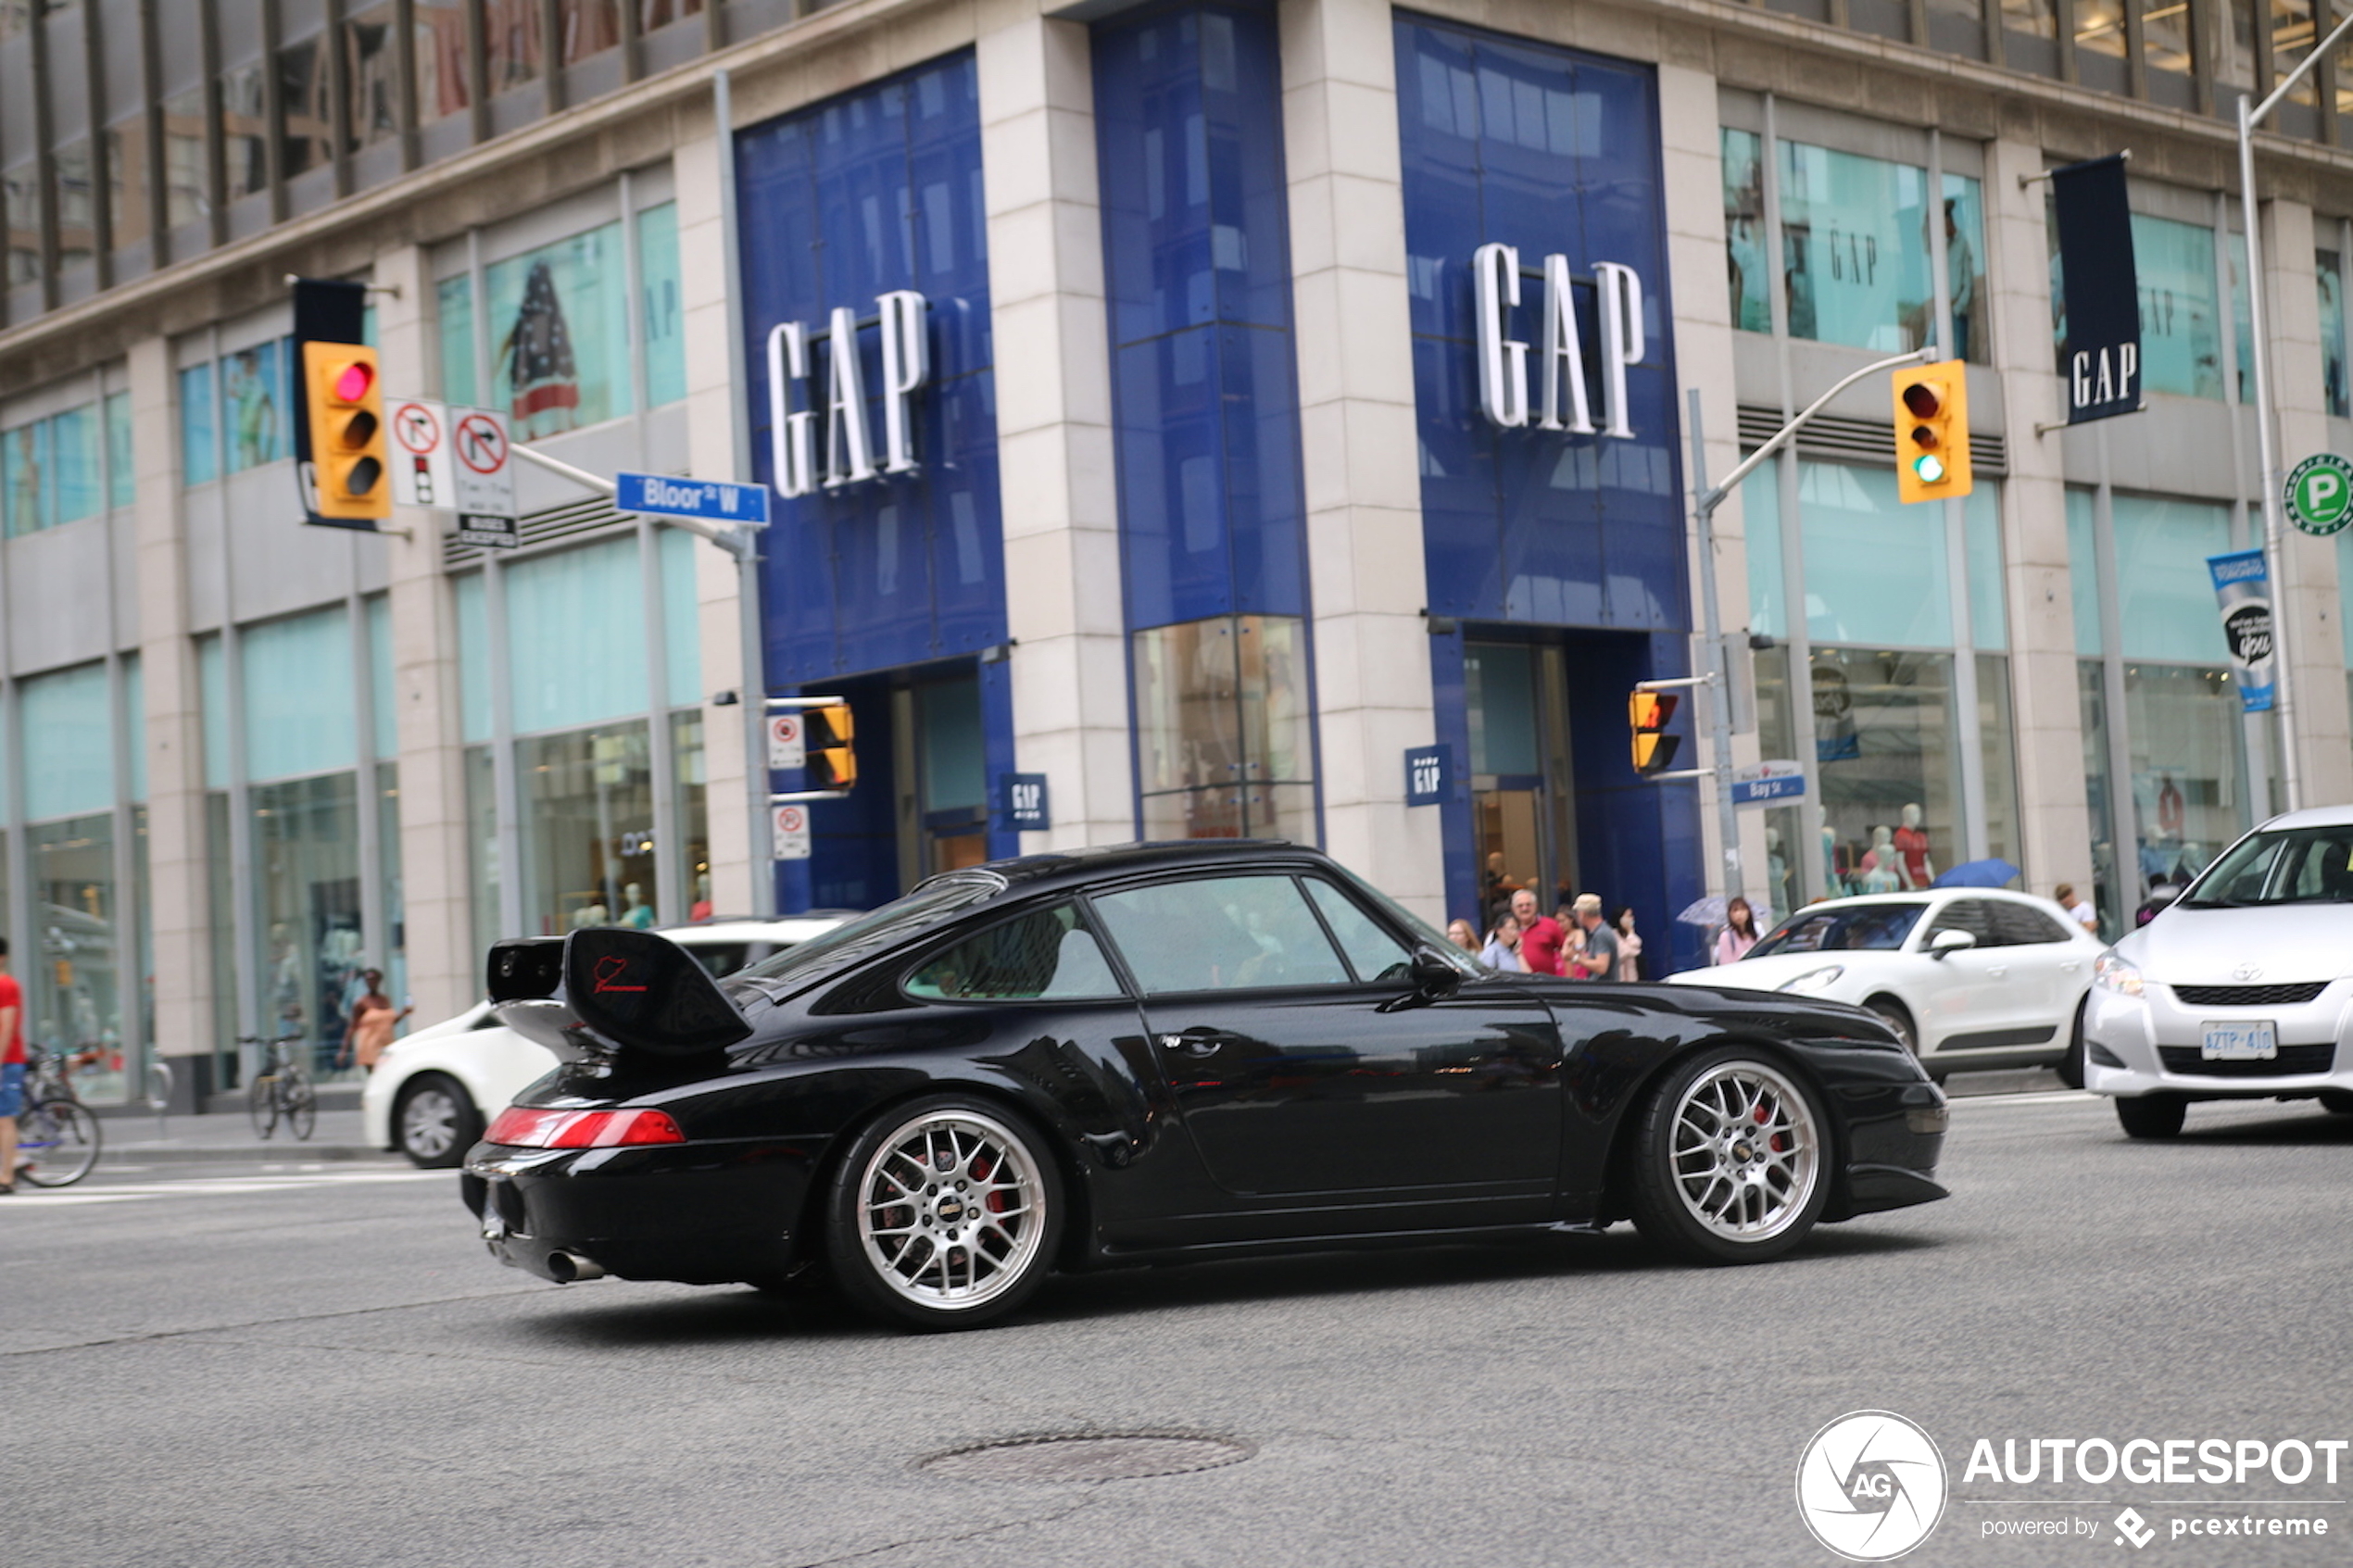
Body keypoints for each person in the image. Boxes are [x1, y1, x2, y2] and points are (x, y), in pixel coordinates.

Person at [339, 970, 412, 1073]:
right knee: (376, 1076)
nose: (371, 982)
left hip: (387, 1044)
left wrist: (403, 1013)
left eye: (373, 979)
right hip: (370, 1046)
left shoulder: (385, 1000)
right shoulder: (362, 1002)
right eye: (368, 980)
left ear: (379, 981)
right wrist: (344, 1050)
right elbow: (352, 1026)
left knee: (390, 1073)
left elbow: (389, 1023)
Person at [0, 937, 23, 1193]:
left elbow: (7, 1027)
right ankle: (15, 1159)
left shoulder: (6, 985)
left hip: (7, 1060)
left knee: (4, 1120)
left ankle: (7, 1177)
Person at [1510, 888, 1567, 976]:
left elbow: (1566, 953)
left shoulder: (1550, 925)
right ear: (1513, 909)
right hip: (1515, 984)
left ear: (1536, 906)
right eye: (1520, 906)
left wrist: (1569, 980)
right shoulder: (1505, 930)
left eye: (1528, 904)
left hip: (1546, 983)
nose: (1524, 908)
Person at [1568, 893, 1617, 980]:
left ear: (1582, 913)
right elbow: (1596, 959)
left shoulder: (1601, 934)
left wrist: (1575, 958)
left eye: (1577, 913)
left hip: (1604, 990)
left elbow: (1601, 967)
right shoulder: (1599, 932)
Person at [1714, 897, 1761, 965]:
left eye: (1743, 909)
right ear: (1730, 914)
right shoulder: (1726, 936)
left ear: (1748, 912)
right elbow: (1725, 964)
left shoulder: (1755, 936)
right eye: (1735, 910)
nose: (1739, 914)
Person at [1614, 907, 1643, 983]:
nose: (1632, 918)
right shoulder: (1613, 935)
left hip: (1632, 979)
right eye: (1629, 916)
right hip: (1619, 979)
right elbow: (1623, 953)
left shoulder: (1630, 934)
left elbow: (1637, 944)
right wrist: (1630, 932)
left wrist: (1630, 932)